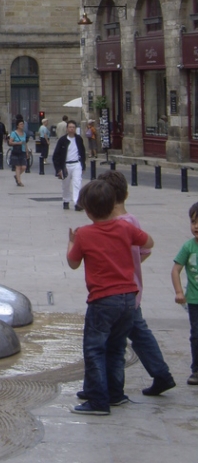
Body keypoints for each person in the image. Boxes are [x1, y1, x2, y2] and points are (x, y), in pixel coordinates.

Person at [67, 180, 153, 414]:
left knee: (95, 349)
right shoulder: (125, 228)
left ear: (87, 209)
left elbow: (73, 263)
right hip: (128, 298)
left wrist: (71, 242)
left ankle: (97, 401)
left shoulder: (84, 234)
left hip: (103, 299)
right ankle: (116, 394)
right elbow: (149, 242)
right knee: (116, 348)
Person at [86, 170, 174, 397]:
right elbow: (145, 250)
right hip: (132, 288)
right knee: (137, 332)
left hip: (117, 291)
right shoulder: (131, 220)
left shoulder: (115, 225)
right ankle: (159, 374)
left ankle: (113, 387)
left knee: (118, 341)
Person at [171, 200, 198, 386]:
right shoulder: (188, 247)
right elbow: (175, 270)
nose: (196, 226)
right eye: (193, 222)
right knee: (196, 335)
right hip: (195, 301)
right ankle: (196, 369)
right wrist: (179, 291)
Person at [53, 120, 86, 210]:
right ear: (67, 129)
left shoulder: (79, 139)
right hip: (66, 165)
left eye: (73, 127)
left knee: (77, 183)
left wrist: (83, 165)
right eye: (70, 127)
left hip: (76, 163)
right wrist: (58, 169)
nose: (72, 129)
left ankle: (77, 202)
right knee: (66, 184)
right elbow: (56, 155)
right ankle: (66, 200)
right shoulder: (62, 140)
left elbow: (82, 152)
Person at [8, 120, 29, 187]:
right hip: (16, 151)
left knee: (24, 167)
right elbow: (10, 142)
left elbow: (25, 143)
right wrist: (17, 143)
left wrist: (27, 151)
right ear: (17, 125)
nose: (22, 125)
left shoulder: (24, 133)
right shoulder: (13, 133)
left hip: (22, 151)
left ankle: (17, 176)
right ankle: (19, 182)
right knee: (18, 166)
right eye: (21, 124)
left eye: (23, 124)